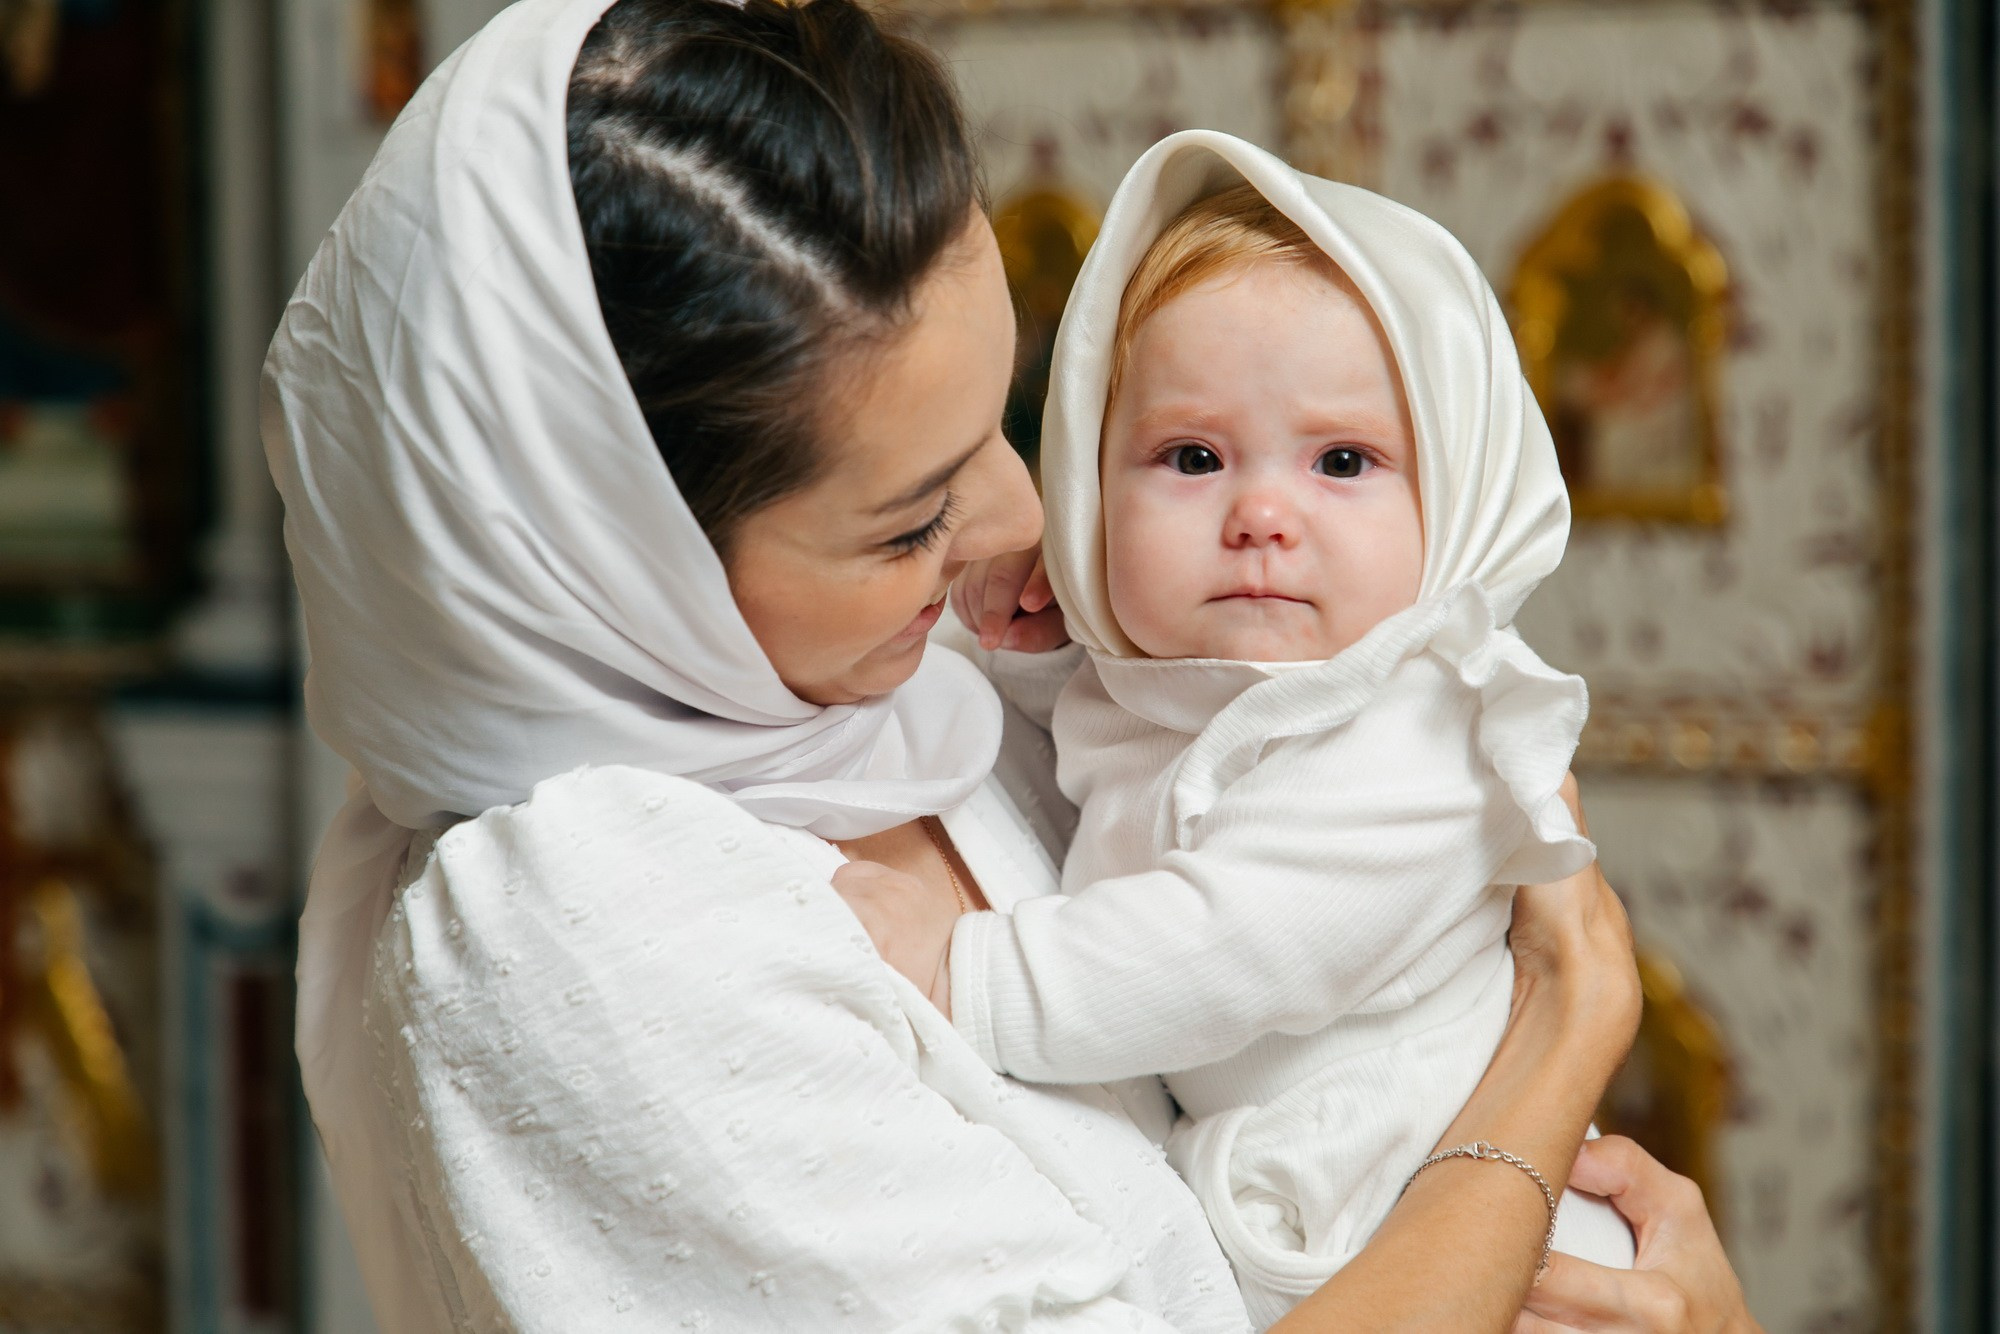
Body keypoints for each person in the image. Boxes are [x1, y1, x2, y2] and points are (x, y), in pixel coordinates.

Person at [261, 0, 1757, 1328]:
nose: (1022, 519)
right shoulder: (581, 932)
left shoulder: (936, 708)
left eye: (1009, 418)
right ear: (610, 562)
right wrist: (1557, 1051)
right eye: (912, 518)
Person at [844, 137, 1638, 1331]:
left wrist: (970, 975)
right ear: (1087, 481)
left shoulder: (1426, 738)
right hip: (1327, 1204)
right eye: (1192, 457)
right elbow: (1081, 763)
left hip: (1466, 1222)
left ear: (1457, 498)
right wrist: (1034, 636)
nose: (1260, 512)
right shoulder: (1169, 680)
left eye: (1341, 461)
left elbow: (1222, 945)